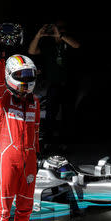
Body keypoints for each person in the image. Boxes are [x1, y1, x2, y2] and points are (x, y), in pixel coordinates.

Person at [0, 52, 40, 221]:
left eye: (30, 75)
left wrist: (36, 159)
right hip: (8, 160)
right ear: (10, 75)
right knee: (4, 209)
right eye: (22, 75)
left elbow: (36, 132)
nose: (26, 80)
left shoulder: (35, 102)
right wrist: (0, 58)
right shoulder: (3, 100)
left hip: (29, 161)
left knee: (25, 208)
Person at [28, 19, 80, 150]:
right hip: (54, 84)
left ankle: (67, 143)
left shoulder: (67, 41)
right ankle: (48, 143)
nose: (59, 30)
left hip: (68, 83)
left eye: (62, 28)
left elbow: (77, 45)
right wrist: (39, 35)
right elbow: (32, 51)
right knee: (50, 114)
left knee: (68, 114)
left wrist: (61, 35)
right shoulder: (48, 45)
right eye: (57, 28)